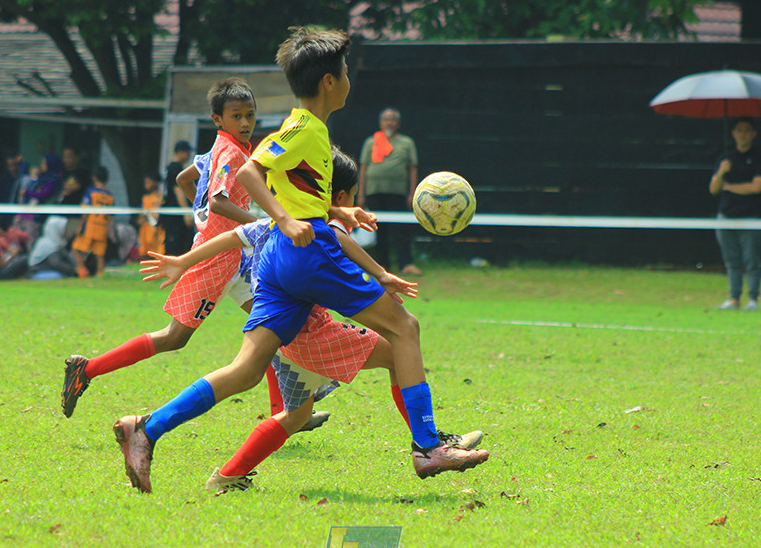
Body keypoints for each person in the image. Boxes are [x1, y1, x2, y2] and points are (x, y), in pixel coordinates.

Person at [111, 26, 488, 494]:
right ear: (329, 82)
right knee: (405, 328)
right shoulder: (306, 128)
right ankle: (428, 446)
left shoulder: (306, 129)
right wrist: (287, 222)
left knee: (247, 370)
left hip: (276, 264)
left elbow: (286, 189)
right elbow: (250, 172)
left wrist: (330, 211)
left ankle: (146, 429)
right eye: (345, 71)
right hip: (306, 255)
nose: (349, 79)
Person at [141, 146, 483, 492]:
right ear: (338, 194)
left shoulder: (277, 224)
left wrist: (183, 259)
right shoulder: (313, 240)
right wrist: (377, 275)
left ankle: (225, 475)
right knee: (401, 347)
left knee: (295, 416)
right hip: (312, 337)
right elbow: (334, 247)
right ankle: (428, 443)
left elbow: (233, 236)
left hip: (283, 340)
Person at [60, 77, 264, 419]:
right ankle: (87, 369)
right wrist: (256, 221)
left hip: (233, 257)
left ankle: (287, 412)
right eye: (236, 116)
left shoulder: (222, 146)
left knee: (271, 325)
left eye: (250, 115)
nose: (244, 123)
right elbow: (217, 201)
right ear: (218, 119)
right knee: (174, 338)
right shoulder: (230, 151)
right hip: (214, 260)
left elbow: (186, 180)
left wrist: (203, 218)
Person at [708, 118, 761, 311]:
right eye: (739, 130)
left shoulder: (759, 159)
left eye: (746, 130)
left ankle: (753, 299)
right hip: (725, 217)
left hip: (750, 217)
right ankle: (734, 298)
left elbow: (756, 187)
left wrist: (730, 187)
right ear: (733, 133)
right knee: (731, 260)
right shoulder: (724, 159)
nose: (742, 134)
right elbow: (714, 189)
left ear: (753, 134)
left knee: (751, 260)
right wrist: (721, 173)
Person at [358, 107, 422, 276]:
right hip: (374, 192)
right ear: (380, 122)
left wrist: (412, 192)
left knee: (401, 230)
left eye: (392, 119)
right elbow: (363, 168)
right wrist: (361, 194)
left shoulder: (406, 143)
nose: (389, 122)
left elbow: (412, 168)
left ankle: (406, 264)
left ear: (398, 123)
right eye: (386, 119)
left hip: (398, 193)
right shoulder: (371, 142)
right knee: (379, 231)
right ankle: (382, 266)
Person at [72, 166, 115, 278]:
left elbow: (86, 210)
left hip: (90, 227)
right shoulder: (110, 195)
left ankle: (82, 270)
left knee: (76, 248)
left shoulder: (91, 192)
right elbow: (112, 215)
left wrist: (81, 226)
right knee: (99, 254)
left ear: (94, 178)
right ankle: (100, 274)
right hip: (102, 228)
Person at [161, 140, 194, 255]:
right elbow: (178, 190)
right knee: (176, 244)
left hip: (170, 210)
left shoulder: (169, 167)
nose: (188, 155)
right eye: (187, 152)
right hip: (175, 213)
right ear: (180, 152)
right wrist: (185, 212)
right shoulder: (175, 169)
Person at [137, 171, 165, 257]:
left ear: (155, 182)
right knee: (145, 250)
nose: (146, 184)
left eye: (148, 182)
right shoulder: (144, 198)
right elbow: (140, 214)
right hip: (146, 228)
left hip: (158, 229)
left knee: (158, 250)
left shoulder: (161, 198)